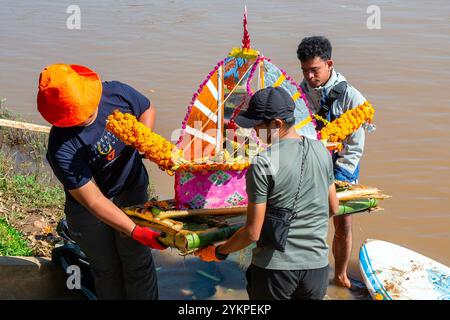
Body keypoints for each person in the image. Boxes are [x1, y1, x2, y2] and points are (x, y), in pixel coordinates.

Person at [195, 86, 339, 300]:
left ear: (277, 124)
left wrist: (218, 252)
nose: (254, 132)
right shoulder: (321, 151)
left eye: (257, 126)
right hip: (317, 268)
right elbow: (333, 207)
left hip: (275, 271)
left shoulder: (263, 163)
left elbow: (252, 232)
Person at [37, 63, 167, 299]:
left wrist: (144, 140)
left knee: (137, 263)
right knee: (107, 270)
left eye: (86, 112)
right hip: (89, 210)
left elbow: (147, 108)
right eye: (73, 118)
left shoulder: (116, 93)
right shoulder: (61, 148)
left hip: (130, 190)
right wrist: (135, 230)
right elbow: (94, 200)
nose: (83, 120)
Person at [296, 36, 369, 288]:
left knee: (342, 222)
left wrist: (341, 178)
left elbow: (355, 147)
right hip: (310, 161)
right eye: (305, 70)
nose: (309, 76)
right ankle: (306, 275)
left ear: (329, 64)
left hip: (341, 165)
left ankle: (340, 275)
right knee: (308, 222)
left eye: (314, 70)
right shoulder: (299, 92)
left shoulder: (352, 98)